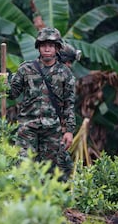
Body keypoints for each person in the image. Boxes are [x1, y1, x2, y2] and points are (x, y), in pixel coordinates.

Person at [7, 27, 76, 180]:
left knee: (51, 172)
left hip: (52, 129)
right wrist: (3, 81)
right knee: (23, 167)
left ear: (57, 48)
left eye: (51, 45)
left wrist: (69, 131)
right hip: (28, 127)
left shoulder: (65, 73)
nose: (47, 48)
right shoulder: (26, 69)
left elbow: (69, 105)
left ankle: (49, 202)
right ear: (38, 47)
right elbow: (12, 94)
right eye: (44, 45)